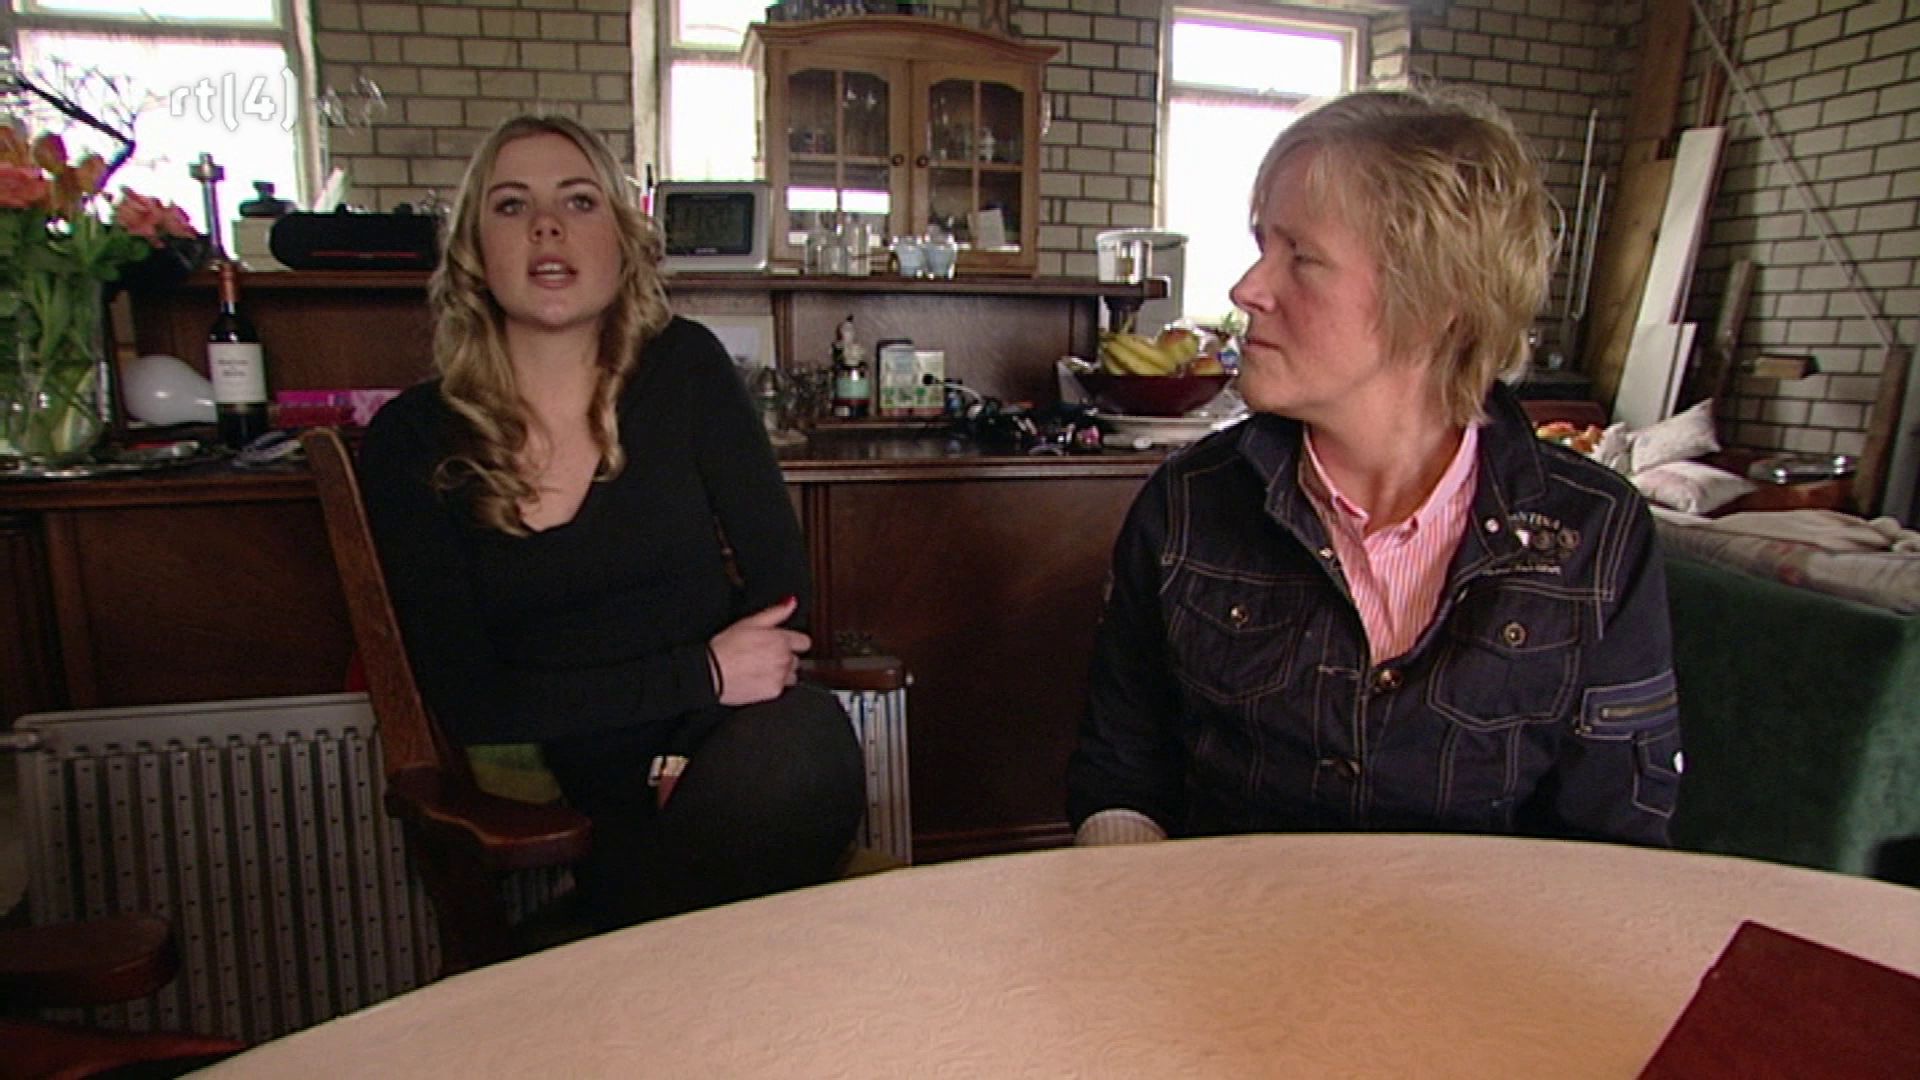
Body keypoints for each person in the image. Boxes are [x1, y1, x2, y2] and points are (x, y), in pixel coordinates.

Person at [1067, 89, 1681, 848]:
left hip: (1487, 925)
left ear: (1436, 300)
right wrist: (1136, 897)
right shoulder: (1188, 503)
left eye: (1302, 257)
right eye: (1262, 245)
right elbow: (1123, 772)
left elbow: (1615, 839)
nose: (1247, 289)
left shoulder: (1595, 532)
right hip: (1227, 917)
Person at [358, 114, 865, 931]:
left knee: (805, 747)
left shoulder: (685, 367)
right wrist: (698, 676)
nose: (547, 225)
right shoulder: (412, 439)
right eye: (512, 205)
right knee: (749, 903)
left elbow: (781, 589)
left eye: (579, 201)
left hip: (718, 737)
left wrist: (698, 726)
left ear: (623, 240)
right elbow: (471, 698)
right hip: (579, 759)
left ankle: (587, 946)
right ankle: (615, 952)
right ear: (474, 251)